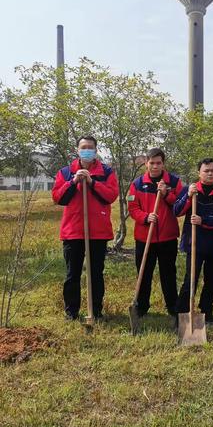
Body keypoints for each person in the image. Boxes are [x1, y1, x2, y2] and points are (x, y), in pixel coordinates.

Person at [52, 135, 119, 320]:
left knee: (96, 273)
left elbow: (112, 195)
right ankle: (71, 312)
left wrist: (92, 182)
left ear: (96, 150)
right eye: (83, 147)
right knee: (72, 274)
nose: (87, 150)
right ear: (77, 150)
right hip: (73, 232)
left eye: (90, 147)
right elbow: (58, 197)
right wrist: (73, 181)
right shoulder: (65, 172)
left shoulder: (106, 172)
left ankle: (96, 311)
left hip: (98, 232)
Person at [128, 148, 183, 317]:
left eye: (158, 163)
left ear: (163, 163)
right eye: (152, 163)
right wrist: (145, 217)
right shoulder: (137, 184)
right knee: (144, 273)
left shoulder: (174, 182)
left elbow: (180, 208)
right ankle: (142, 307)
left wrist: (166, 194)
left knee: (168, 274)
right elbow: (132, 208)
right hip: (145, 238)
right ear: (146, 163)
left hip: (167, 237)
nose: (155, 166)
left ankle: (173, 307)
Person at [174, 158, 213, 323]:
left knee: (212, 281)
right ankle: (181, 314)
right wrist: (188, 197)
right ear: (199, 173)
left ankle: (206, 311)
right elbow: (176, 211)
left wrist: (203, 220)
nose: (210, 173)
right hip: (194, 244)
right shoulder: (189, 190)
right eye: (206, 170)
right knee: (190, 281)